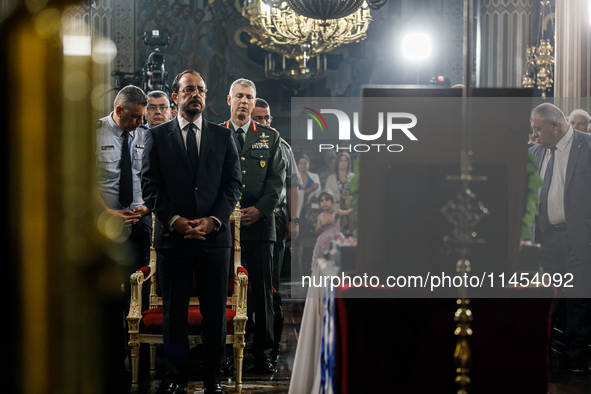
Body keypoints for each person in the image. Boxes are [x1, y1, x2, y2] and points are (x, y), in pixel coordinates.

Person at [142, 69, 242, 394]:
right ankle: (175, 376)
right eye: (188, 90)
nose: (195, 94)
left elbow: (232, 185)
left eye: (200, 89)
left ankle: (213, 376)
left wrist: (213, 221)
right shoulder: (157, 137)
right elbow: (150, 186)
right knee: (174, 311)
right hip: (174, 239)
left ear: (206, 95)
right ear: (176, 96)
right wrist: (175, 220)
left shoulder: (222, 136)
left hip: (213, 240)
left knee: (214, 311)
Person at [223, 78, 286, 374]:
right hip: (224, 227)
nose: (244, 101)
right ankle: (223, 352)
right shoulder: (215, 134)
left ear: (254, 100)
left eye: (249, 96)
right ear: (229, 100)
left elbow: (277, 181)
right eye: (239, 96)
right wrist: (226, 214)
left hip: (261, 227)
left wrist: (259, 211)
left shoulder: (270, 137)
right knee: (224, 293)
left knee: (262, 294)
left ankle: (263, 353)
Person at [530, 102, 591, 375]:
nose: (534, 135)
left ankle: (575, 358)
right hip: (547, 239)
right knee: (550, 299)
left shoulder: (587, 146)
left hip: (579, 237)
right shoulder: (535, 152)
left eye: (537, 129)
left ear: (555, 125)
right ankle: (550, 357)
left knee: (578, 299)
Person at [252, 98, 302, 364]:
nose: (263, 123)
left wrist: (295, 220)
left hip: (275, 217)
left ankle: (268, 346)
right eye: (258, 118)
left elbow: (293, 186)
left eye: (266, 118)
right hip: (239, 219)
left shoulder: (281, 145)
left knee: (270, 285)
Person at [96, 85, 151, 272]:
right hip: (105, 222)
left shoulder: (145, 134)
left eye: (142, 116)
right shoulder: (95, 134)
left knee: (141, 281)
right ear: (119, 110)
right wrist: (107, 213)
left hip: (139, 222)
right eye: (136, 115)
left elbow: (154, 178)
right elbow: (85, 183)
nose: (141, 120)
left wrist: (148, 206)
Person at [311, 190, 352, 265]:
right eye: (322, 201)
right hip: (324, 241)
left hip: (335, 239)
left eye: (327, 200)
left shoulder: (336, 212)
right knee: (324, 259)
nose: (324, 202)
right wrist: (323, 225)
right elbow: (317, 231)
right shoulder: (321, 216)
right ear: (320, 204)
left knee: (335, 259)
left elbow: (347, 212)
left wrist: (353, 203)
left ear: (332, 202)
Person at [324, 152, 355, 235]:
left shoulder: (353, 177)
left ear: (348, 163)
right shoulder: (330, 178)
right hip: (335, 211)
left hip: (350, 213)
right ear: (338, 163)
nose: (343, 163)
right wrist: (339, 197)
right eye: (341, 160)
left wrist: (351, 198)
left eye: (345, 161)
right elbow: (326, 196)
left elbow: (358, 193)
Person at [297, 155, 321, 233]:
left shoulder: (314, 177)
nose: (303, 165)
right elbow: (294, 194)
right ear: (297, 165)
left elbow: (318, 193)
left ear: (308, 165)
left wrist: (304, 193)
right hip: (297, 208)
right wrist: (311, 189)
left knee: (309, 232)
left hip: (310, 209)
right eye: (301, 163)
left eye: (305, 163)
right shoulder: (293, 178)